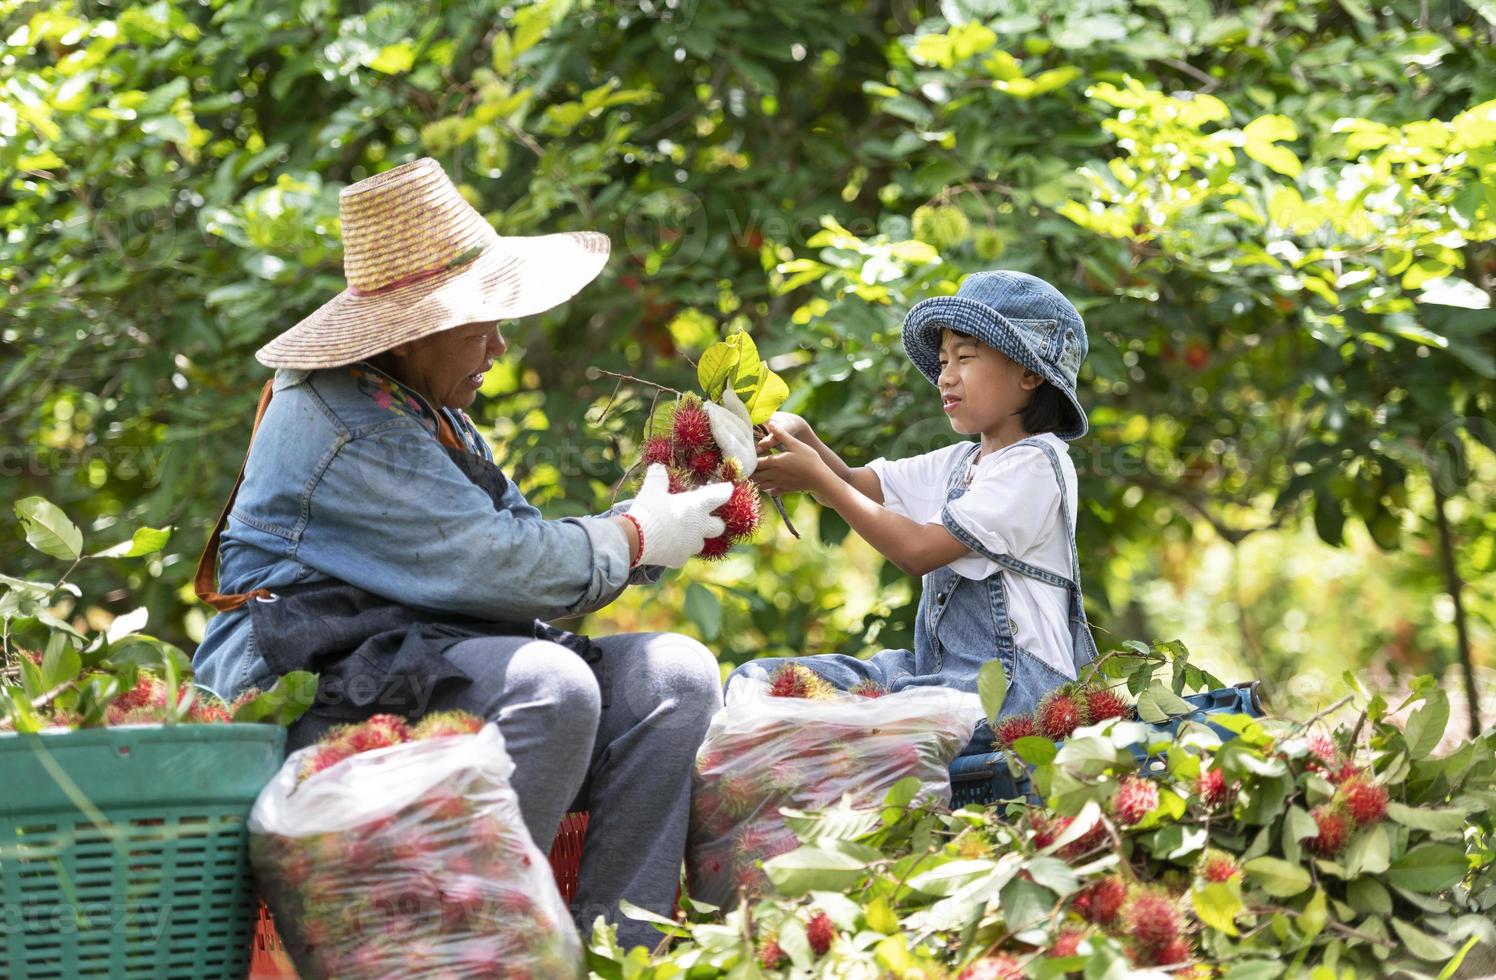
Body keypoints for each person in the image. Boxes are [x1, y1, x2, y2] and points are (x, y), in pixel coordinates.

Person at [189, 157, 748, 946]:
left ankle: (624, 949)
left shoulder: (425, 405)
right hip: (317, 694)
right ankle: (474, 955)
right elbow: (497, 563)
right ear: (413, 332)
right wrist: (633, 537)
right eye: (479, 325)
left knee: (674, 677)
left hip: (430, 667)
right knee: (551, 685)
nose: (498, 346)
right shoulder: (342, 421)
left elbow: (522, 548)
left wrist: (659, 519)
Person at [742, 270, 1101, 725]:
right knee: (761, 681)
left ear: (1029, 373)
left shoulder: (1037, 464)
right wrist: (804, 436)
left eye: (964, 358)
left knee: (855, 725)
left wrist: (815, 477)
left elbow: (918, 551)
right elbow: (857, 485)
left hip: (1012, 694)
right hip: (942, 677)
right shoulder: (962, 461)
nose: (945, 377)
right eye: (944, 360)